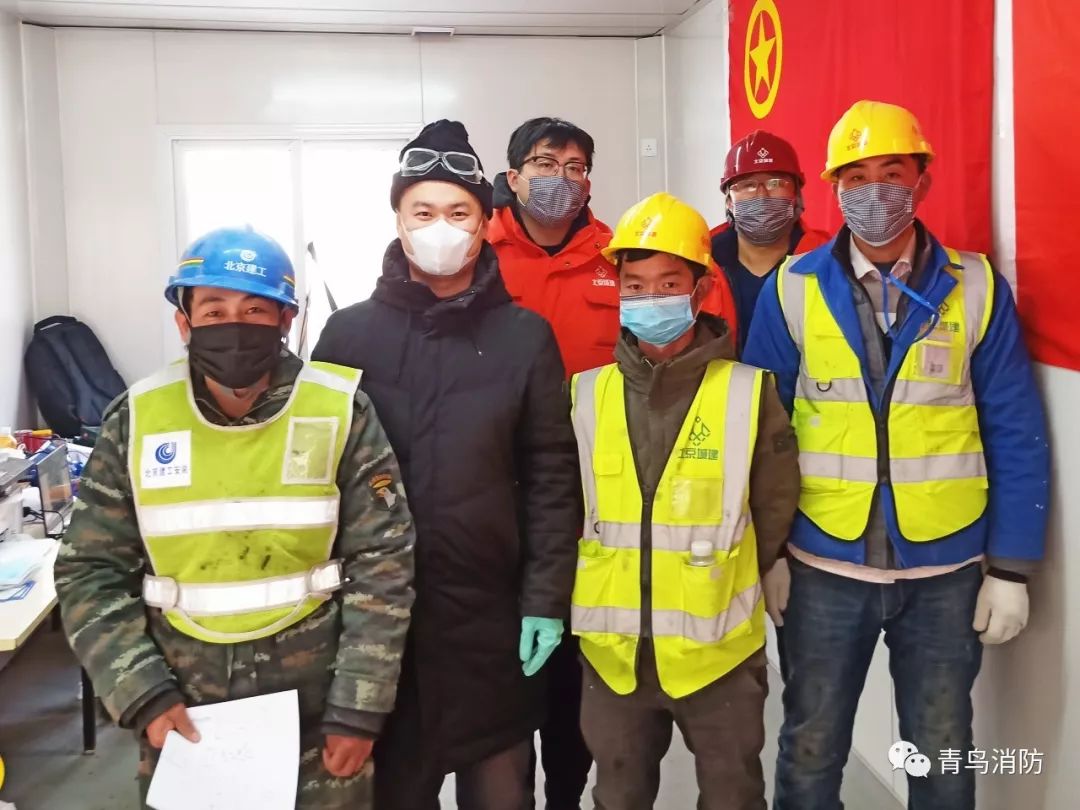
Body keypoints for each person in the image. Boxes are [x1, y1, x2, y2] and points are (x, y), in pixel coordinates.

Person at [743, 100, 1050, 810]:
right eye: (855, 178)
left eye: (892, 173)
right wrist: (767, 553)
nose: (874, 191)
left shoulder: (976, 287)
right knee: (811, 748)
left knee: (941, 753)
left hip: (945, 568)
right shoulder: (791, 288)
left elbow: (1014, 427)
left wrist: (1011, 567)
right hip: (822, 565)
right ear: (832, 188)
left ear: (922, 181)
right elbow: (762, 435)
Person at [54, 225, 416, 809]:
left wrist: (360, 705)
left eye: (254, 309)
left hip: (318, 712)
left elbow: (384, 564)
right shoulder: (138, 419)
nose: (234, 324)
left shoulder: (341, 409)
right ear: (184, 322)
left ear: (285, 320)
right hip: (184, 711)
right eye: (214, 309)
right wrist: (141, 691)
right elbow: (88, 570)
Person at [312, 119, 580, 810]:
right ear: (398, 222)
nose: (441, 228)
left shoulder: (524, 337)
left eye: (459, 213)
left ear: (485, 224)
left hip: (491, 619)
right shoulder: (348, 336)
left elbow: (552, 478)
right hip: (380, 627)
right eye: (423, 212)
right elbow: (314, 478)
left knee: (502, 791)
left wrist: (546, 599)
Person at [569, 192, 801, 810]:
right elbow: (568, 509)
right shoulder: (585, 394)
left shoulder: (748, 392)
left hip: (716, 655)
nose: (651, 299)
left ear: (700, 292)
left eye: (669, 284)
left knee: (732, 796)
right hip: (614, 658)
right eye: (635, 285)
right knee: (617, 796)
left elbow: (774, 500)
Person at [488, 115, 605, 808]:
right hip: (494, 504)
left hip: (592, 509)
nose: (560, 178)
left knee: (573, 684)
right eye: (543, 163)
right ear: (513, 177)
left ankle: (565, 794)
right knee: (505, 683)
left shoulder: (619, 259)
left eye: (574, 167)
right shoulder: (477, 254)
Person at [709, 130, 829, 355]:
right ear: (729, 201)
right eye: (747, 185)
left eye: (776, 183)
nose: (762, 195)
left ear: (796, 195)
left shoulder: (826, 258)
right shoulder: (701, 262)